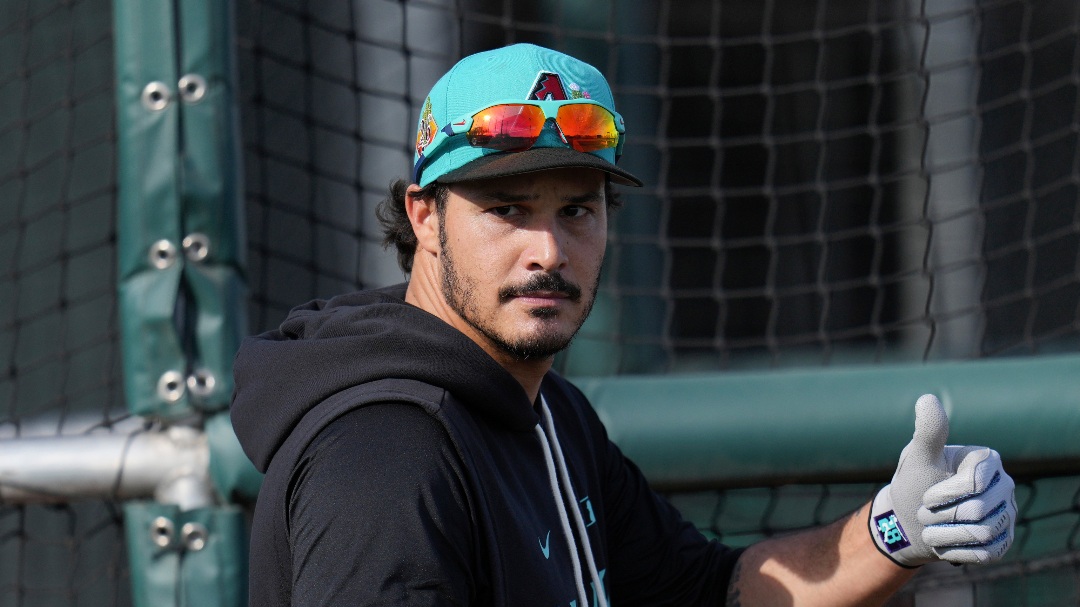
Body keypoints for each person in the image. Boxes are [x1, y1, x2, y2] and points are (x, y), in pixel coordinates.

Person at [231, 43, 1016, 606]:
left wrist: (895, 529)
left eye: (577, 209)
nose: (548, 250)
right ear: (425, 218)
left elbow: (714, 590)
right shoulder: (386, 456)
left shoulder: (548, 412)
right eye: (507, 209)